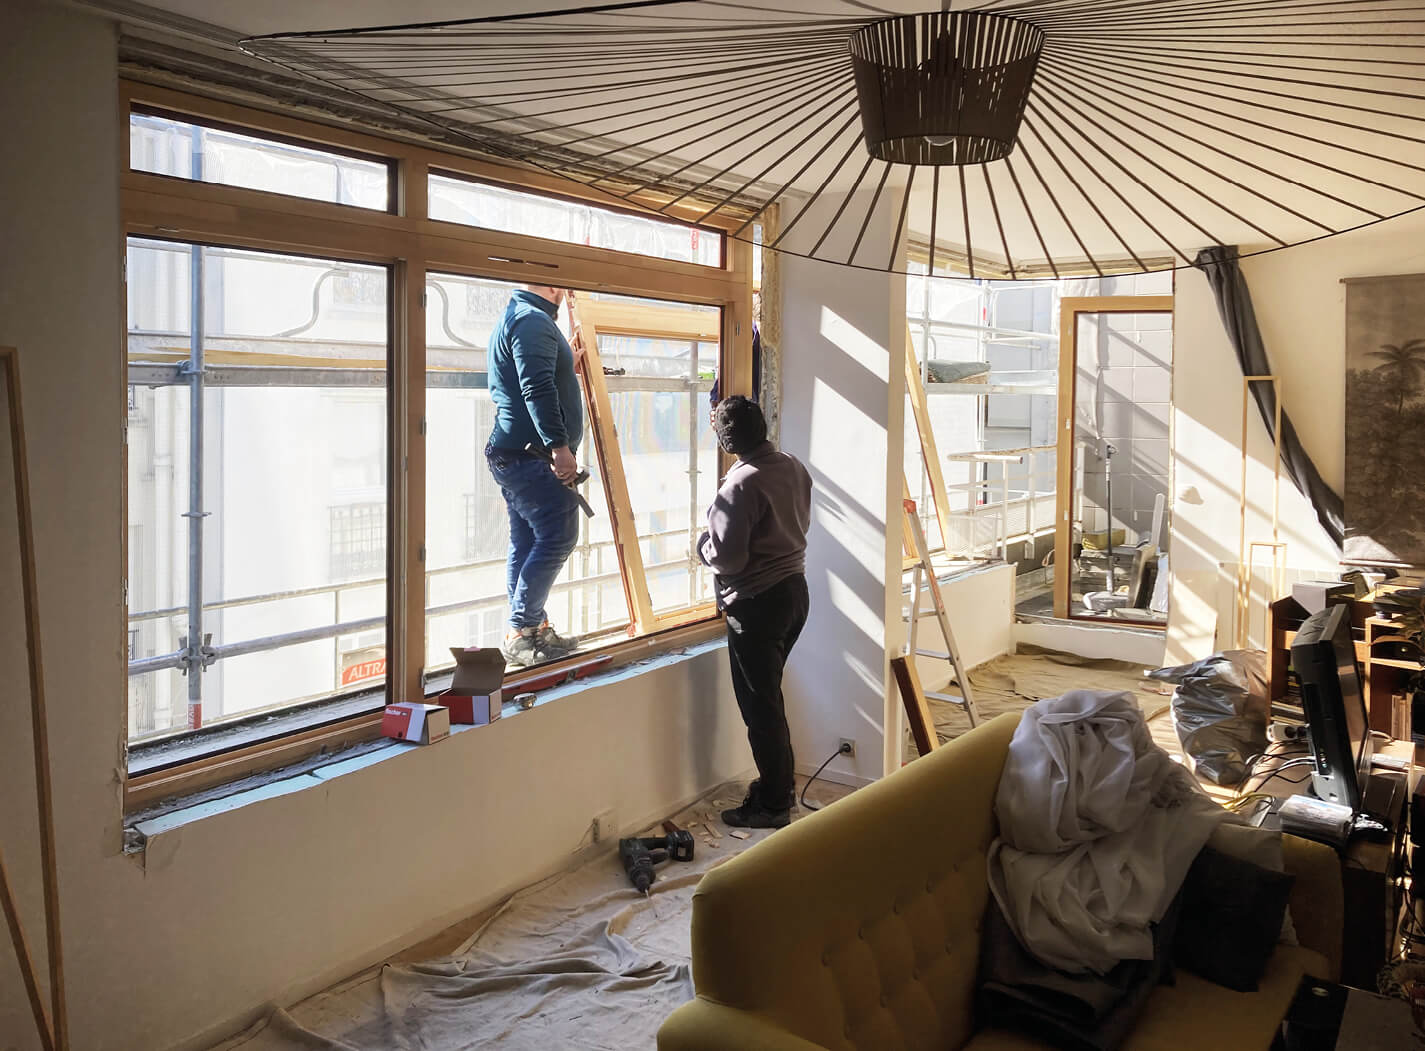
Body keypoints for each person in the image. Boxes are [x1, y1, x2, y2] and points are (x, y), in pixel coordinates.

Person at [697, 396, 813, 829]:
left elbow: (728, 559)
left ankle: (773, 804)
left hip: (757, 605)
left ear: (726, 442)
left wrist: (701, 547)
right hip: (794, 594)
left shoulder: (739, 485)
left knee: (760, 709)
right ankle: (777, 788)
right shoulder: (791, 465)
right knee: (770, 700)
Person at [486, 284, 585, 666]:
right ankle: (521, 630)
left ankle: (534, 629)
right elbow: (536, 388)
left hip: (515, 453)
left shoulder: (523, 317)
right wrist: (559, 447)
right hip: (532, 455)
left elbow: (532, 376)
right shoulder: (531, 322)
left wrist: (566, 364)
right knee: (560, 534)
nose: (566, 290)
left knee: (527, 540)